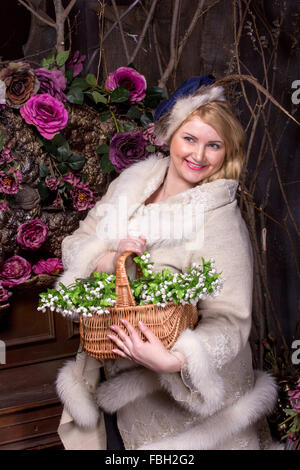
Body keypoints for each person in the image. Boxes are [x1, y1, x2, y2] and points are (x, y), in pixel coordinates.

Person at [55, 74, 283, 450]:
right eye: (190, 139)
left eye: (214, 145)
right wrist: (109, 258)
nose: (198, 155)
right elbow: (76, 243)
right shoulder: (133, 184)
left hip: (178, 414)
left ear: (227, 153)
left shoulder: (218, 219)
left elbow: (230, 321)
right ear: (171, 135)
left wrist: (173, 360)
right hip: (107, 377)